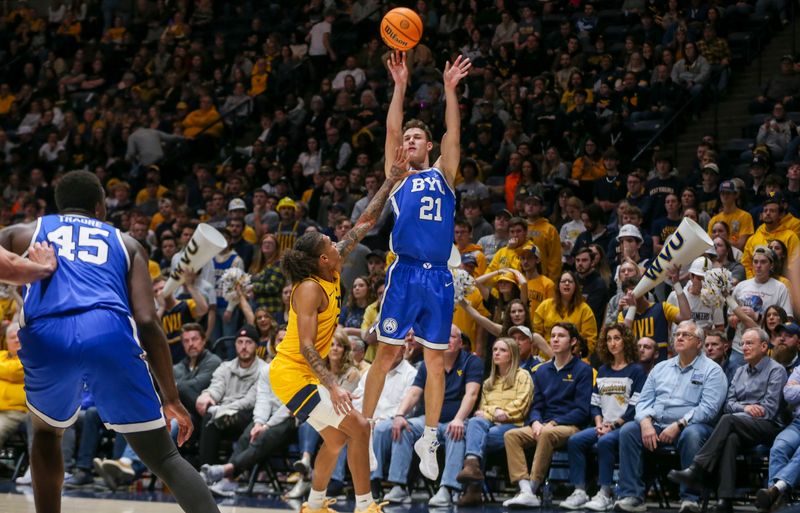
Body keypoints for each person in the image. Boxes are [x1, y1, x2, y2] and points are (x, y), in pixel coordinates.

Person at [0, 170, 219, 513]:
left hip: (47, 335)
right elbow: (147, 321)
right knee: (164, 455)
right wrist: (171, 398)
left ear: (58, 206)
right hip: (108, 331)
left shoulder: (24, 232)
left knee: (46, 433)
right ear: (101, 207)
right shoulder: (128, 244)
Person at [268, 147, 409, 513]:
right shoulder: (311, 288)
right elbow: (306, 346)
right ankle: (365, 506)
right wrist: (332, 385)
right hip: (293, 375)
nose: (336, 239)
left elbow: (364, 222)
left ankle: (314, 506)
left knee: (334, 441)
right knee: (359, 427)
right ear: (323, 259)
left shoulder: (332, 263)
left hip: (305, 373)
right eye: (330, 242)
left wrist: (391, 179)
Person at [362, 51, 472, 482]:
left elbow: (454, 133)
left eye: (415, 138)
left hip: (439, 276)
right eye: (406, 138)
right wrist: (400, 85)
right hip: (405, 273)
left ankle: (429, 436)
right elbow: (391, 128)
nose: (408, 141)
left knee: (437, 357)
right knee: (386, 352)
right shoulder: (398, 176)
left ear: (428, 146)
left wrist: (448, 90)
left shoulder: (444, 173)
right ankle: (366, 428)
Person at [668, 327, 787, 513]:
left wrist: (738, 411)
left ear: (764, 346)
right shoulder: (740, 371)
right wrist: (745, 408)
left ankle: (697, 468)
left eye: (750, 343)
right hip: (742, 424)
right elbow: (729, 404)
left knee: (728, 421)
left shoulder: (776, 371)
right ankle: (725, 500)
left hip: (769, 427)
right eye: (743, 343)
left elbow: (769, 410)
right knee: (730, 438)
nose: (744, 347)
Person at [614, 320, 727, 513]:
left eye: (686, 335)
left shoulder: (712, 370)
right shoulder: (660, 368)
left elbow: (708, 409)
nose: (680, 337)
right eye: (677, 334)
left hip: (693, 426)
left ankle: (690, 499)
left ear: (699, 343)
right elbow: (643, 402)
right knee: (629, 431)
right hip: (657, 424)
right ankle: (632, 496)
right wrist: (645, 422)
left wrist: (679, 424)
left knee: (693, 434)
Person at [380, 325, 483, 507]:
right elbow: (414, 392)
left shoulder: (471, 362)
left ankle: (448, 489)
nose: (448, 341)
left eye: (453, 337)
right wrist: (399, 414)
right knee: (404, 426)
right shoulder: (429, 362)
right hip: (429, 421)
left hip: (456, 420)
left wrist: (459, 419)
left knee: (456, 431)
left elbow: (471, 394)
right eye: (445, 337)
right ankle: (399, 486)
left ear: (460, 343)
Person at [502, 322, 592, 508]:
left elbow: (582, 410)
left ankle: (533, 487)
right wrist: (535, 421)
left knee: (547, 433)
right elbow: (536, 404)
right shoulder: (541, 370)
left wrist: (554, 422)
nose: (556, 339)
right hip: (543, 425)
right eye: (553, 336)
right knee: (511, 435)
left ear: (573, 341)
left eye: (561, 336)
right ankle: (525, 488)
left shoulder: (583, 370)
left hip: (570, 426)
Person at [561, 323, 646, 511]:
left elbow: (635, 407)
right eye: (608, 339)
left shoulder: (636, 371)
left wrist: (612, 426)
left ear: (626, 341)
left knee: (605, 442)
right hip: (604, 425)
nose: (612, 343)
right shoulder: (603, 370)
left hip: (625, 427)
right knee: (575, 441)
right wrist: (599, 424)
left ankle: (605, 492)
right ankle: (580, 491)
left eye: (617, 338)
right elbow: (594, 403)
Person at [455, 337, 533, 506]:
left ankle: (472, 487)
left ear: (512, 355)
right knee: (474, 424)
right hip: (489, 425)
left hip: (514, 426)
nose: (497, 353)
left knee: (474, 438)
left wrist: (495, 412)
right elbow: (481, 411)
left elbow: (521, 406)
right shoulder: (488, 382)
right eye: (495, 350)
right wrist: (496, 412)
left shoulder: (523, 376)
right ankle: (472, 465)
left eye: (502, 350)